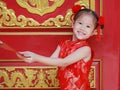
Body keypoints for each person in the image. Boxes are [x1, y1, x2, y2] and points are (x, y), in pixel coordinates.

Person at [17, 5, 104, 90]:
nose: (82, 28)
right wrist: (30, 57)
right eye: (80, 23)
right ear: (73, 24)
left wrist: (36, 57)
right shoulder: (63, 44)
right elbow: (51, 60)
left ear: (93, 32)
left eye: (88, 26)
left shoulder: (85, 49)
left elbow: (64, 62)